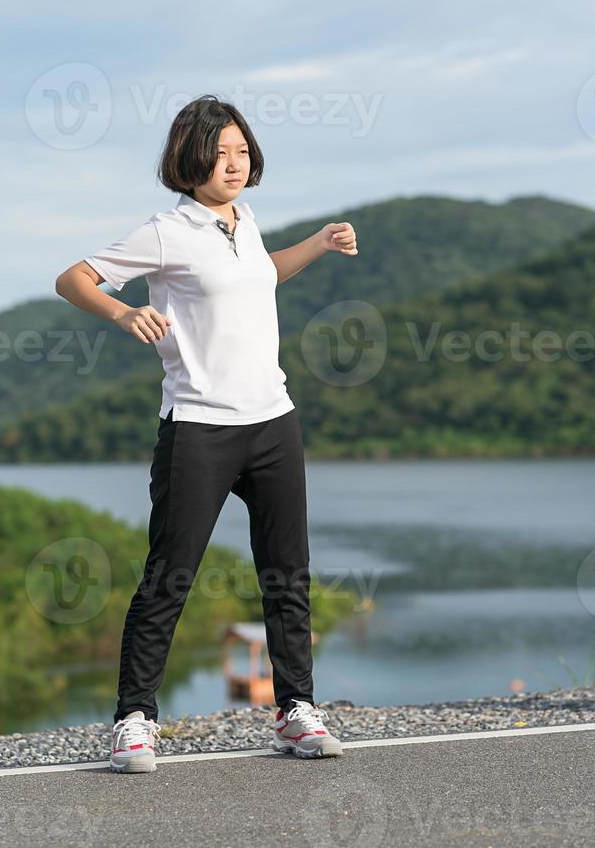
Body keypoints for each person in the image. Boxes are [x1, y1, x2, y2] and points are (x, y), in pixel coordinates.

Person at [55, 94, 358, 772]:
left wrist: (317, 242)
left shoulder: (243, 222)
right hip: (199, 427)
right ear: (188, 158)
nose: (233, 162)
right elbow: (72, 277)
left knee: (286, 574)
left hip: (273, 422)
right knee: (170, 575)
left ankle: (296, 710)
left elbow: (257, 278)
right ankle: (134, 720)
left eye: (241, 151)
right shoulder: (166, 232)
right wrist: (120, 311)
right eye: (220, 152)